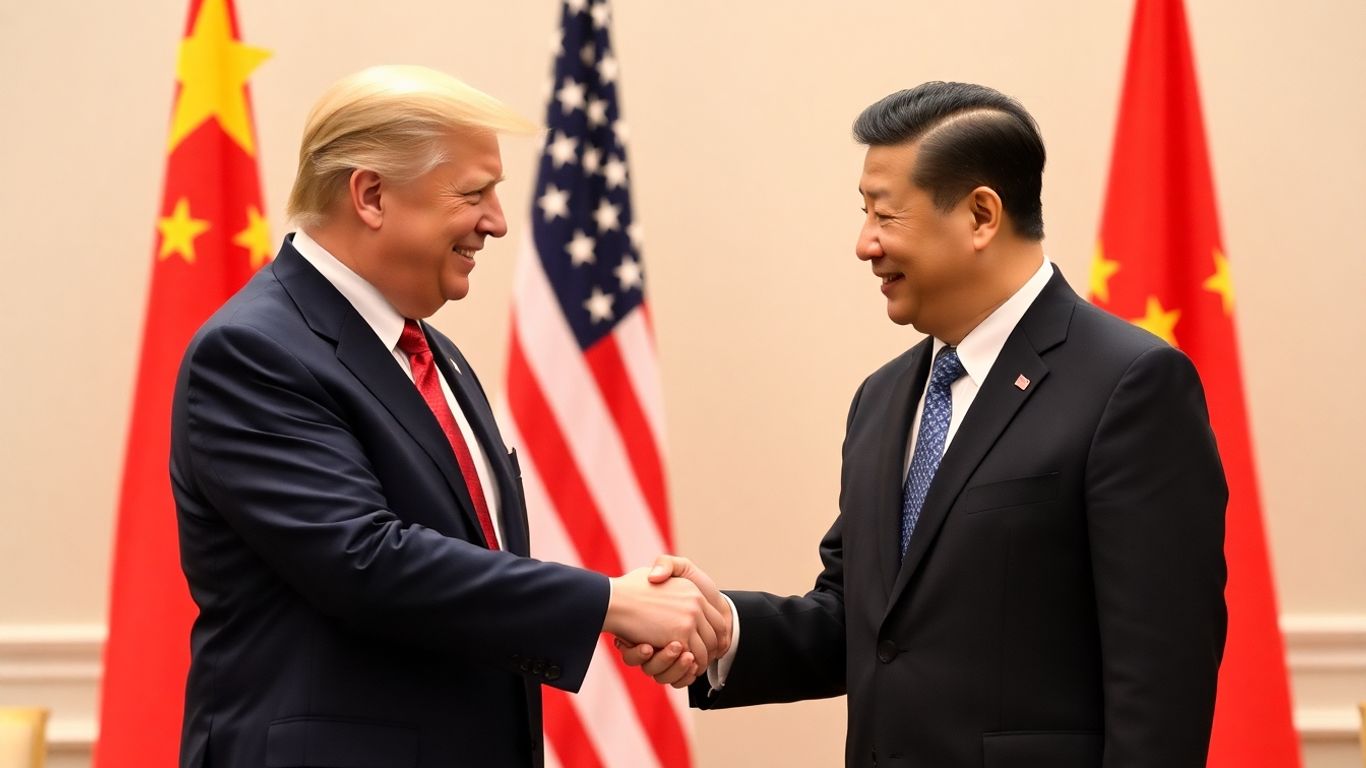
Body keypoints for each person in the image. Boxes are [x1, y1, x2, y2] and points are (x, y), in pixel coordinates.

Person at [621, 82, 1228, 767]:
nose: (863, 244)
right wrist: (721, 629)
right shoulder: (881, 401)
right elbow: (869, 623)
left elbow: (1161, 679)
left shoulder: (1130, 385)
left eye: (885, 215)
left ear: (980, 216)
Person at [170, 65, 726, 768]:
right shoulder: (253, 350)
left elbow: (463, 567)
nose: (496, 221)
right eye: (474, 193)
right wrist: (606, 604)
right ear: (371, 195)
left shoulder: (432, 353)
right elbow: (364, 561)